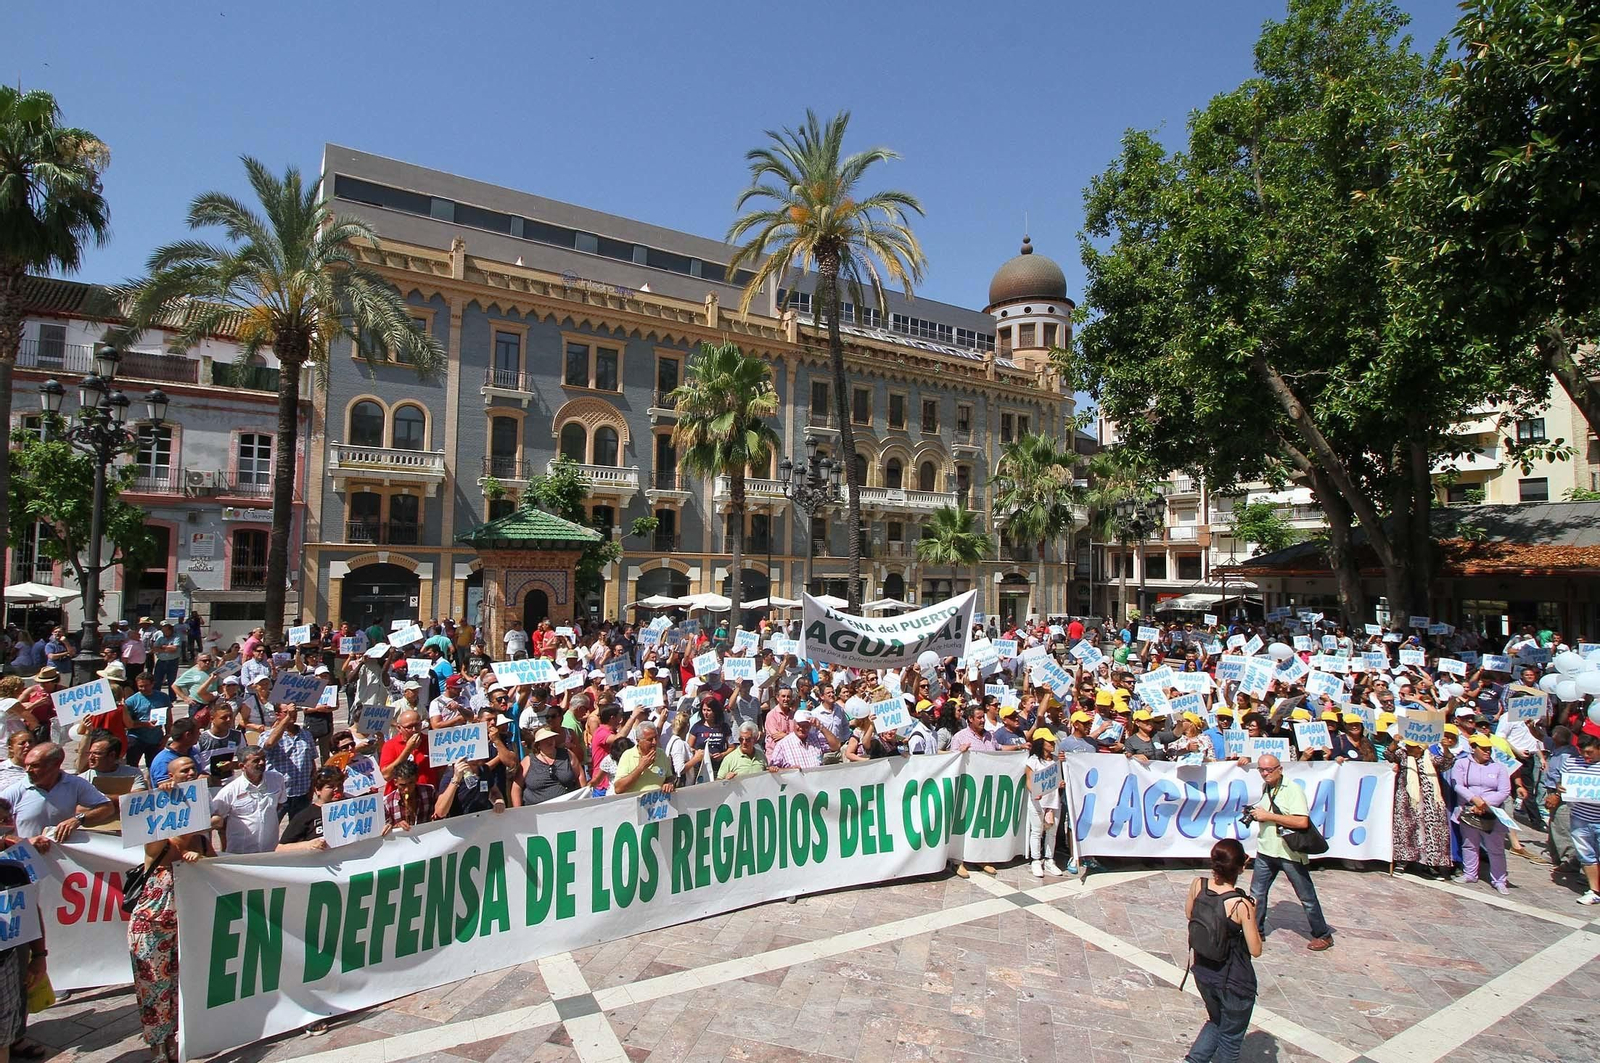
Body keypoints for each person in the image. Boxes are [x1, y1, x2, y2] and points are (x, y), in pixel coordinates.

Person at [126, 755, 211, 1063]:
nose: (191, 772)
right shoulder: (158, 823)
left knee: (184, 985)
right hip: (154, 921)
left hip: (188, 919)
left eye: (193, 768)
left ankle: (178, 1042)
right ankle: (160, 1048)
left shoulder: (200, 826)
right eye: (183, 770)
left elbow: (213, 862)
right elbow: (171, 843)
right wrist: (181, 802)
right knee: (154, 987)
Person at [1182, 838, 1263, 1063]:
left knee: (1216, 1021)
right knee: (1230, 1038)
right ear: (1240, 867)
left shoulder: (1198, 884)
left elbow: (1190, 914)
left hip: (1203, 972)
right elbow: (1256, 949)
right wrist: (1252, 915)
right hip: (1234, 981)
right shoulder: (1240, 905)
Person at [1245, 754, 1333, 950]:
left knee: (1306, 896)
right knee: (1257, 893)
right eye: (1261, 770)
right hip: (1267, 848)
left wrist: (1268, 815)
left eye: (1269, 770)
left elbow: (1302, 821)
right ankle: (1256, 930)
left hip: (1289, 851)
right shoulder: (1266, 787)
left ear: (1280, 769)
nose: (1265, 773)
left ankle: (1323, 934)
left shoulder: (1293, 790)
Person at [1, 742, 116, 843]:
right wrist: (25, 842)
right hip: (26, 861)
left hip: (62, 863)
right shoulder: (13, 792)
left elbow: (107, 808)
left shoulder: (75, 784)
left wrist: (79, 819)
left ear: (55, 764)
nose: (28, 770)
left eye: (35, 766)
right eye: (26, 765)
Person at [1451, 733, 1513, 895]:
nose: (1487, 752)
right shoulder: (1461, 764)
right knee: (1469, 844)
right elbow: (1457, 785)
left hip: (1491, 812)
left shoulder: (1499, 767)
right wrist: (1474, 799)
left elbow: (1504, 790)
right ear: (1473, 748)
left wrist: (1484, 803)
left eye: (1489, 749)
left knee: (1496, 848)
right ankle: (1470, 874)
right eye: (1483, 748)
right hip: (1468, 809)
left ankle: (1499, 879)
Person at [209, 749, 287, 854]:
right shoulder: (230, 791)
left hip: (270, 850)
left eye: (263, 759)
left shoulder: (277, 779)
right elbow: (215, 816)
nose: (262, 762)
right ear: (242, 766)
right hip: (241, 853)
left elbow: (279, 804)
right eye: (256, 760)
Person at [1560, 732, 1600, 905]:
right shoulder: (1571, 762)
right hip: (1580, 818)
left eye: (1590, 752)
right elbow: (1561, 782)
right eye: (1583, 752)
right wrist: (1560, 787)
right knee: (1587, 856)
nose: (1585, 756)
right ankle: (1594, 890)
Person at [1023, 728, 1064, 877]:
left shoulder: (1055, 760)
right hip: (1037, 802)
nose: (1052, 743)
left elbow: (1058, 779)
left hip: (1053, 801)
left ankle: (1049, 859)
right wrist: (1034, 791)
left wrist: (1060, 784)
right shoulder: (1033, 761)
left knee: (1051, 832)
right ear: (1041, 742)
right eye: (1049, 741)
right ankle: (1035, 860)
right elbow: (1028, 780)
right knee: (1037, 831)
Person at [279, 766, 348, 851]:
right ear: (318, 790)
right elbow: (280, 848)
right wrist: (308, 845)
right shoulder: (305, 816)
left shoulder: (351, 809)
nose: (337, 789)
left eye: (340, 785)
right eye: (331, 786)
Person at [515, 727, 582, 806]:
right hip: (536, 811)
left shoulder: (567, 754)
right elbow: (516, 787)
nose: (549, 741)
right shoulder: (528, 761)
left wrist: (585, 798)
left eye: (551, 738)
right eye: (545, 739)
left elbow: (580, 775)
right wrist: (518, 811)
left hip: (566, 807)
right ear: (538, 744)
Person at [613, 722, 674, 794]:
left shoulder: (661, 753)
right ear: (638, 741)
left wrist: (669, 783)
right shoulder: (628, 755)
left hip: (659, 803)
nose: (654, 742)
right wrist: (640, 767)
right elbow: (618, 789)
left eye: (656, 738)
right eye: (650, 739)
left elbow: (669, 776)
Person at [383, 760, 437, 830]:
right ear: (395, 782)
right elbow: (385, 829)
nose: (407, 789)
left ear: (417, 779)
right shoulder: (388, 803)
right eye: (402, 785)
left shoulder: (430, 792)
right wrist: (396, 827)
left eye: (411, 783)